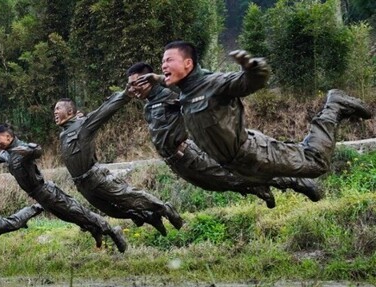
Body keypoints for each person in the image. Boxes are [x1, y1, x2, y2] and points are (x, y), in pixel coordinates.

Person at [158, 40, 372, 180]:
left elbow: (248, 83)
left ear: (188, 63)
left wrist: (253, 68)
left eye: (169, 60)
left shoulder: (214, 84)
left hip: (254, 152)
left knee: (316, 163)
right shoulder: (185, 93)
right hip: (239, 166)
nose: (163, 65)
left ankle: (333, 106)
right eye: (162, 61)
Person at [126, 62, 322, 207]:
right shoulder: (149, 104)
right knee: (216, 185)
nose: (134, 88)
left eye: (137, 83)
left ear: (149, 79)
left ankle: (294, 182)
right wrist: (128, 92)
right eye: (131, 85)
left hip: (187, 154)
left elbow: (193, 88)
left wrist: (161, 79)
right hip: (176, 162)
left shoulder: (168, 94)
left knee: (232, 177)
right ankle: (259, 189)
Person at [0, 124, 128, 252]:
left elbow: (37, 150)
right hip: (39, 197)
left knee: (79, 213)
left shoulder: (22, 149)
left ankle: (113, 231)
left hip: (47, 192)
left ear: (8, 136)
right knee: (70, 217)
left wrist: (29, 150)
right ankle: (96, 231)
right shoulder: (7, 153)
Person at [53, 92, 183, 236]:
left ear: (70, 111)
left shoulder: (83, 125)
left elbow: (106, 110)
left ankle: (165, 209)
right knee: (113, 211)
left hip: (95, 177)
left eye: (58, 108)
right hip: (82, 185)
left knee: (129, 196)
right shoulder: (63, 134)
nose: (55, 112)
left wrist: (126, 94)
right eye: (55, 110)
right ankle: (149, 217)